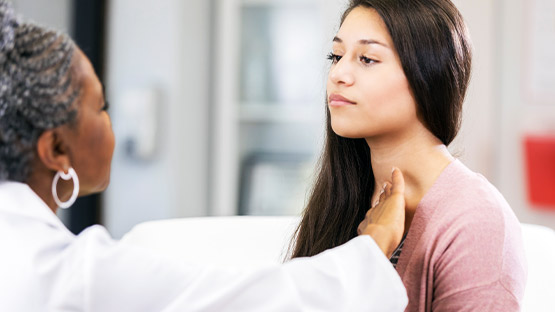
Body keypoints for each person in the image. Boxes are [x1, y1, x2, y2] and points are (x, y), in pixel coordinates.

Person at [0, 1, 409, 310]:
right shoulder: (68, 275)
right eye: (101, 109)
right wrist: (373, 246)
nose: (339, 74)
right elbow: (265, 303)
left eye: (368, 58)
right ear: (55, 149)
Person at [290, 0, 527, 311]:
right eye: (335, 56)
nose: (338, 73)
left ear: (429, 76)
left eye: (367, 59)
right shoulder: (344, 196)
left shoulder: (475, 221)